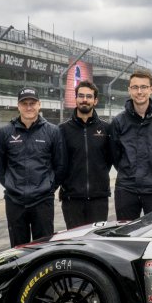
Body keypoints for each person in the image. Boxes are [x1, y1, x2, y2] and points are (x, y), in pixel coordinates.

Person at [0, 88, 66, 247]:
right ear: (18, 106)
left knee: (44, 248)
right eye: (24, 103)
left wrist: (48, 187)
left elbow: (60, 165)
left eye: (32, 103)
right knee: (18, 250)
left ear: (39, 105)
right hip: (14, 201)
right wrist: (11, 185)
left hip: (43, 200)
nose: (28, 107)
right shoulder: (5, 132)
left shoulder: (53, 131)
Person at [109, 69, 152, 220]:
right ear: (129, 90)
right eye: (135, 87)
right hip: (127, 189)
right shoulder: (119, 121)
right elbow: (115, 156)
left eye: (143, 87)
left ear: (151, 89)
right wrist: (129, 172)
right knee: (126, 232)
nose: (139, 92)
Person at [58, 80, 113, 228]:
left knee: (96, 238)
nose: (84, 100)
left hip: (99, 198)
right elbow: (59, 162)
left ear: (95, 101)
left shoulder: (106, 129)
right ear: (75, 98)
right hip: (72, 199)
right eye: (81, 96)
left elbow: (108, 160)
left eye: (89, 96)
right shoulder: (62, 130)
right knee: (75, 239)